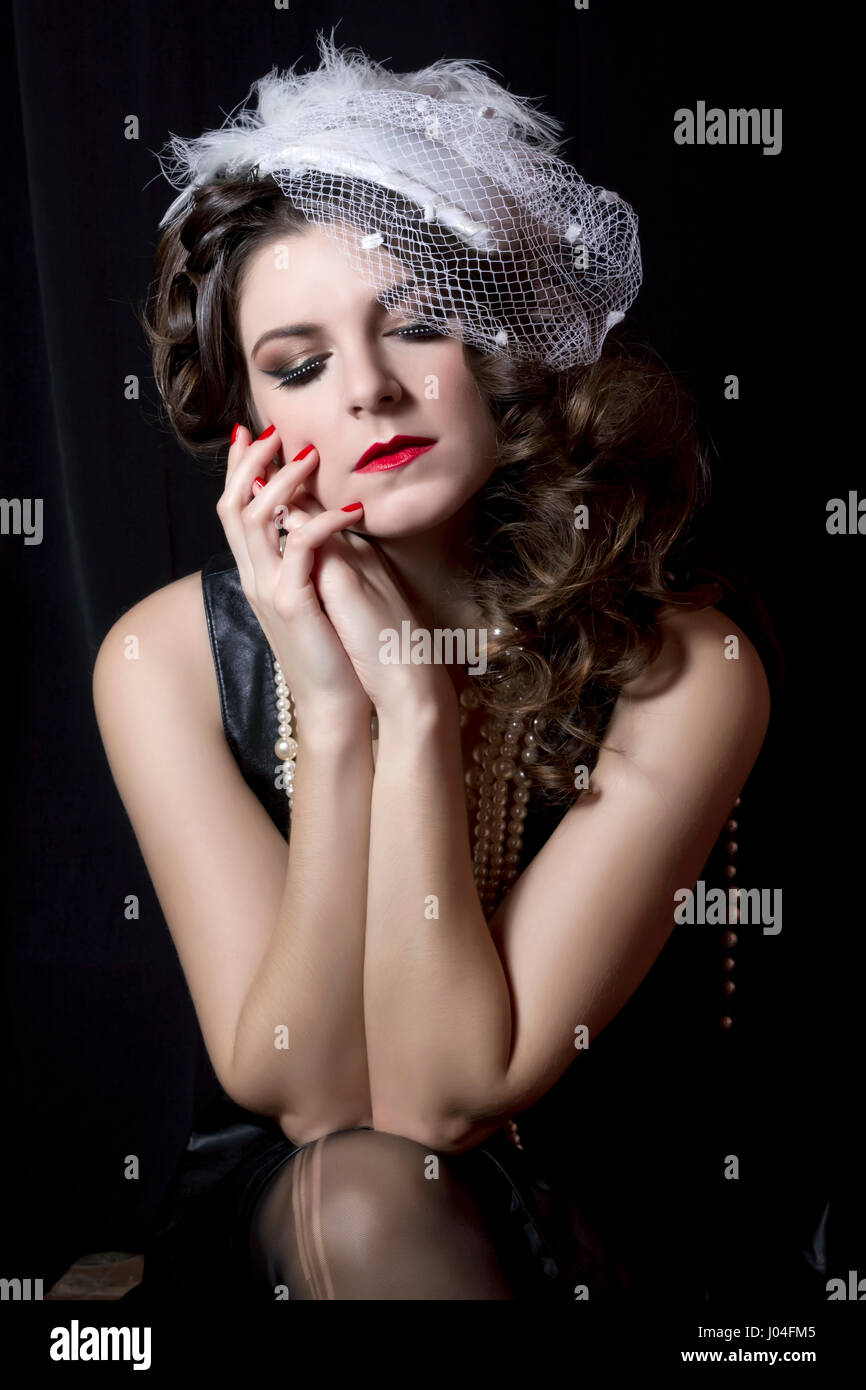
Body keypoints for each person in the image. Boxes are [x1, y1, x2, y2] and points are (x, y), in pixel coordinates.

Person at [92, 32, 775, 1301]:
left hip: (590, 1214)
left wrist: (412, 703)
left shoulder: (684, 662)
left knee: (386, 1184)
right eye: (296, 365)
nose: (365, 390)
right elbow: (304, 1093)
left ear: (504, 352)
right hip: (292, 1220)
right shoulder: (162, 658)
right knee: (353, 1190)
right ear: (248, 423)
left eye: (416, 328)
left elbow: (442, 1097)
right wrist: (337, 718)